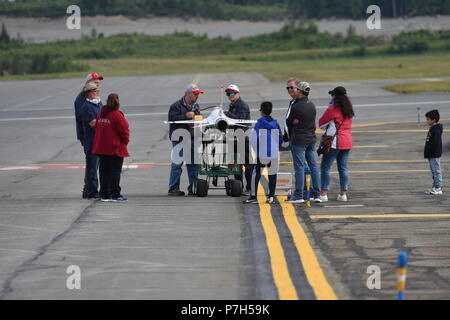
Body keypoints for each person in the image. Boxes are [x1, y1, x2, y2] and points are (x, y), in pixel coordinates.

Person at [284, 79, 321, 204]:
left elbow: (288, 122)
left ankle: (298, 195)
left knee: (299, 167)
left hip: (299, 139)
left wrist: (294, 122)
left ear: (299, 91)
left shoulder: (296, 106)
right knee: (314, 166)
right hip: (311, 139)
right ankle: (317, 194)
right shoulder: (312, 104)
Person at [319, 86, 355, 202]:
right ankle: (343, 194)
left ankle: (324, 194)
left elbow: (321, 124)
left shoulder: (332, 109)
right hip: (347, 141)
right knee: (343, 168)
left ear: (335, 96)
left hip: (334, 142)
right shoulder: (349, 110)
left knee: (325, 167)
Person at [93, 93, 130, 203]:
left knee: (104, 171)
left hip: (102, 147)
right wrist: (124, 143)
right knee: (115, 171)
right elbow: (124, 131)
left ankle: (104, 193)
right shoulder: (117, 115)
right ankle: (115, 194)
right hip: (114, 148)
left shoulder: (101, 114)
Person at [244, 102, 283, 205]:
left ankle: (253, 196)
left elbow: (254, 138)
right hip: (274, 153)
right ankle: (271, 197)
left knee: (256, 174)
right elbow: (280, 138)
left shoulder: (260, 122)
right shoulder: (275, 123)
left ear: (262, 111)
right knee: (272, 174)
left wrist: (256, 149)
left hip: (262, 153)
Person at [168, 84, 202, 196]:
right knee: (177, 164)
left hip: (193, 138)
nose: (197, 96)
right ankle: (173, 188)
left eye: (198, 94)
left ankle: (193, 188)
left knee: (193, 165)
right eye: (195, 94)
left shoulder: (196, 105)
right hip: (179, 139)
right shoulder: (176, 106)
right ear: (188, 94)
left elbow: (198, 118)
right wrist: (185, 116)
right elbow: (171, 119)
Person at [74, 72, 104, 198]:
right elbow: (83, 119)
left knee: (94, 165)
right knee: (92, 164)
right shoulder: (82, 100)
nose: (98, 85)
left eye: (98, 82)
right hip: (89, 136)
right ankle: (90, 190)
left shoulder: (96, 99)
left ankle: (88, 189)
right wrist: (81, 137)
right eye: (96, 82)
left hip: (97, 136)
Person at [224, 84, 253, 194]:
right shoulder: (233, 105)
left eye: (232, 93)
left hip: (243, 138)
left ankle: (249, 187)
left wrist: (227, 114)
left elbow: (240, 120)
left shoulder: (242, 105)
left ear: (238, 93)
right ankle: (239, 186)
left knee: (247, 164)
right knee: (235, 164)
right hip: (234, 138)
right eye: (228, 93)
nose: (230, 95)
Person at [80, 82, 102, 200]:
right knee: (92, 169)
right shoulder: (86, 107)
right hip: (92, 142)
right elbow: (92, 123)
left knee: (96, 167)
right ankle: (91, 191)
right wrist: (104, 119)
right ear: (88, 94)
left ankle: (90, 190)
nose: (97, 93)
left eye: (97, 91)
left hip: (99, 141)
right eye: (94, 91)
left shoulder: (98, 104)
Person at [424, 109, 443, 195]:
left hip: (434, 154)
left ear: (433, 120)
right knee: (433, 171)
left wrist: (431, 152)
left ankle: (438, 187)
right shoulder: (433, 128)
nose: (426, 121)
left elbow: (436, 143)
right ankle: (434, 187)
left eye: (428, 119)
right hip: (431, 154)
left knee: (436, 171)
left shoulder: (436, 130)